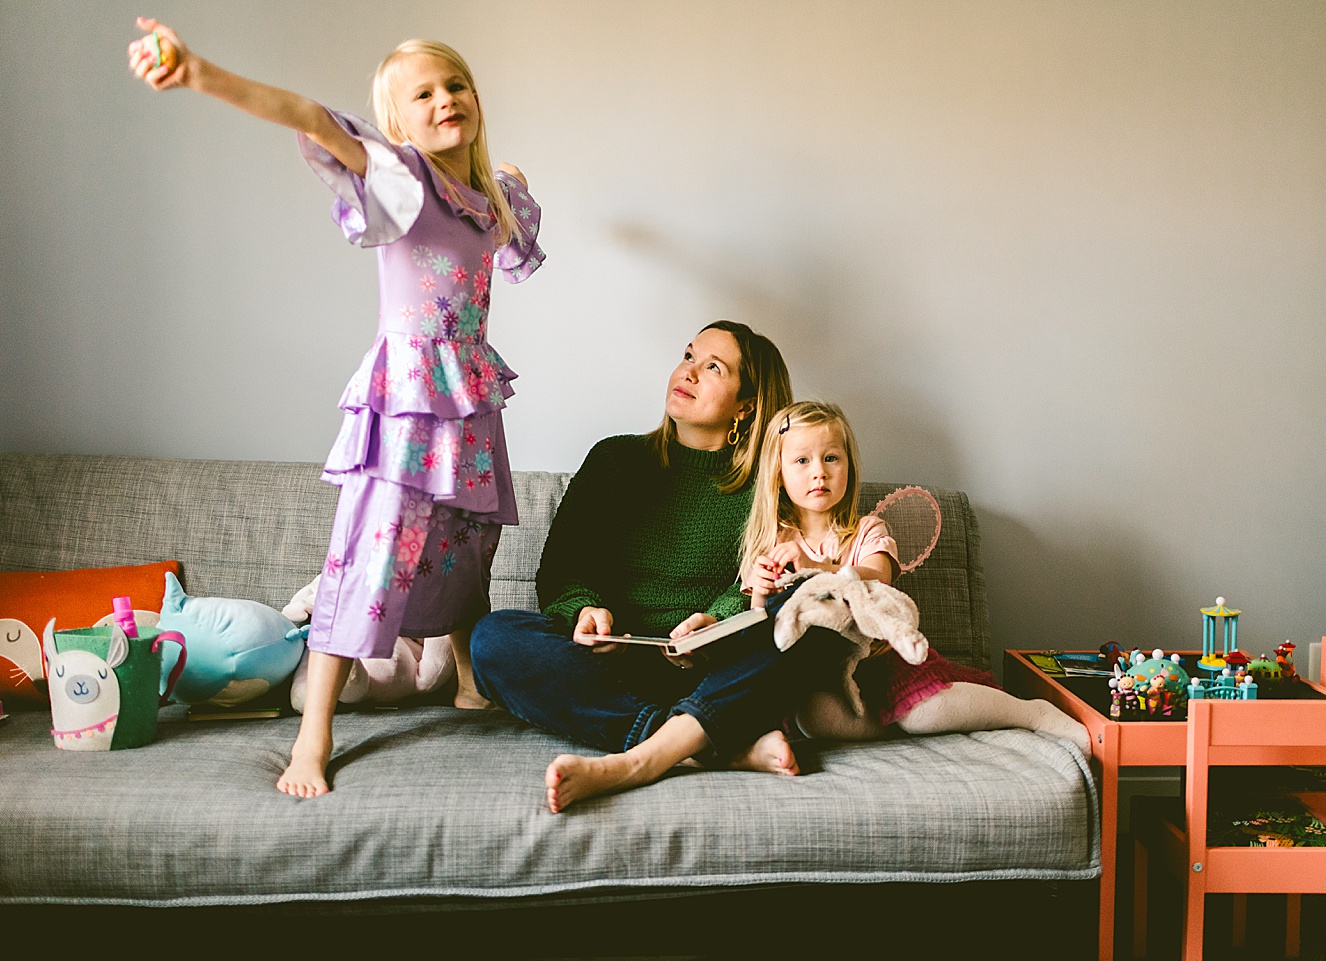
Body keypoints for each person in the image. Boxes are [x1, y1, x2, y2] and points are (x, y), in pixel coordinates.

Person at [127, 19, 546, 797]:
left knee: (467, 534)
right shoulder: (405, 182)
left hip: (471, 394)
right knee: (371, 557)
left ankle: (464, 676)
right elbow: (312, 119)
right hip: (409, 395)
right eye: (423, 93)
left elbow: (511, 244)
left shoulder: (490, 199)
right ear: (396, 125)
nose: (446, 99)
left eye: (455, 85)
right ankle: (311, 738)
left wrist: (506, 181)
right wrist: (200, 73)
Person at [471, 322, 844, 813]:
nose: (687, 371)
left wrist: (715, 623)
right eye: (689, 355)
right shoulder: (615, 460)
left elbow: (769, 579)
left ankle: (639, 760)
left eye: (712, 367)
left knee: (806, 619)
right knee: (494, 638)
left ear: (746, 405)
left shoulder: (774, 481)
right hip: (606, 670)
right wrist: (585, 609)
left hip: (714, 672)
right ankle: (695, 746)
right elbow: (563, 569)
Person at [741, 401, 1091, 756]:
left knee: (924, 714)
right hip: (825, 677)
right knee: (813, 719)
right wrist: (762, 591)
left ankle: (1031, 713)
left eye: (831, 458)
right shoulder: (772, 544)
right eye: (802, 461)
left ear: (849, 465)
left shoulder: (866, 530)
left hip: (880, 661)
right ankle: (896, 724)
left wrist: (817, 570)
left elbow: (878, 575)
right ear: (778, 474)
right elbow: (761, 624)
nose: (820, 472)